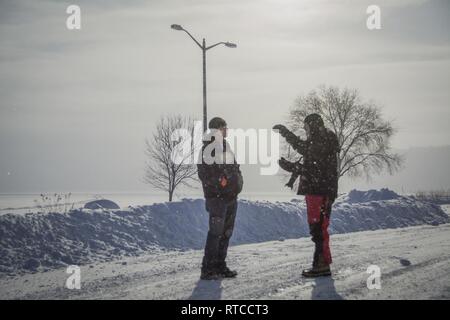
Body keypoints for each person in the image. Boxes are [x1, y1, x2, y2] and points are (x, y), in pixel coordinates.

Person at [273, 113, 339, 277]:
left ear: (314, 125)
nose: (305, 129)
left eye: (306, 126)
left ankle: (322, 265)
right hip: (318, 191)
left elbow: (314, 167)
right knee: (317, 228)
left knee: (319, 229)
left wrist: (292, 167)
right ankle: (321, 264)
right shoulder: (321, 139)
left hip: (320, 192)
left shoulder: (323, 140)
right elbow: (306, 151)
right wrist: (286, 133)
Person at [197, 117, 244, 280]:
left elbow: (234, 167)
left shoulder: (225, 146)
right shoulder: (207, 149)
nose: (227, 130)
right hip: (217, 199)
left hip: (231, 197)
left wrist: (238, 178)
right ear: (217, 129)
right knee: (216, 233)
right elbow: (203, 174)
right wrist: (219, 181)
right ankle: (208, 268)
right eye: (224, 127)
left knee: (226, 233)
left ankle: (220, 265)